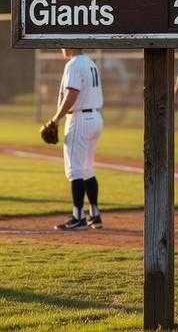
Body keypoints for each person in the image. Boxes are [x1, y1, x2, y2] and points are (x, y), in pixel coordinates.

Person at [43, 47, 104, 230]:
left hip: (79, 119)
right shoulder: (90, 62)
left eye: (63, 44)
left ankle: (78, 217)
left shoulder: (74, 63)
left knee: (75, 170)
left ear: (72, 45)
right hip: (95, 118)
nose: (61, 47)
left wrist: (55, 119)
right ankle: (95, 214)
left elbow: (72, 93)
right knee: (87, 169)